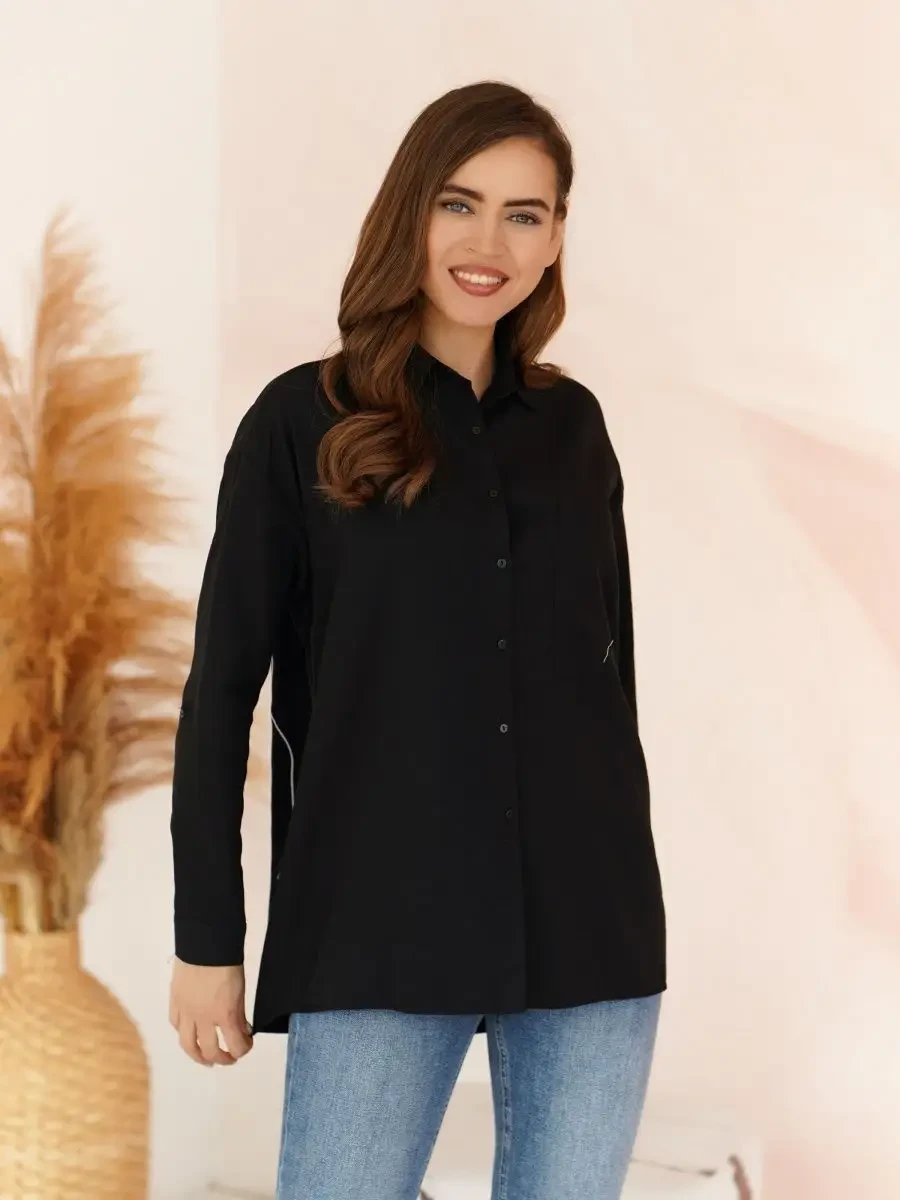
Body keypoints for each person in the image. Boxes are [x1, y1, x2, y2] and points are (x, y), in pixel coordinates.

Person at [168, 79, 666, 1200]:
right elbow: (220, 695)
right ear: (411, 211)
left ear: (555, 239)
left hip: (586, 921)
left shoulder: (573, 429)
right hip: (376, 917)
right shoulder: (301, 420)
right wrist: (208, 940)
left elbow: (611, 681)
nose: (489, 244)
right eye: (459, 203)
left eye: (524, 214)